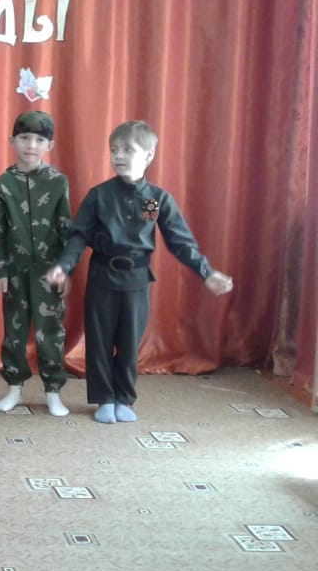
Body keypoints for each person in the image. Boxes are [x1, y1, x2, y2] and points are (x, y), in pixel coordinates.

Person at [47, 120, 233, 423]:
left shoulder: (157, 199)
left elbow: (180, 242)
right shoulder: (99, 195)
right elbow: (78, 235)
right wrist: (64, 266)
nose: (119, 156)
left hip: (136, 280)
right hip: (102, 277)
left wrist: (206, 272)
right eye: (114, 150)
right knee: (99, 341)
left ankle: (124, 397)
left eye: (127, 150)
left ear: (148, 155)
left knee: (130, 342)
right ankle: (104, 398)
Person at [0, 110, 73, 416]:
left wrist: (65, 269)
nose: (31, 145)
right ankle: (14, 387)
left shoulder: (58, 182)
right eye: (24, 138)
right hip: (15, 270)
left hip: (49, 272)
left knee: (50, 331)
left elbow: (66, 227)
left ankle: (53, 391)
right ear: (12, 141)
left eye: (39, 140)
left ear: (49, 145)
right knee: (14, 332)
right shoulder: (2, 184)